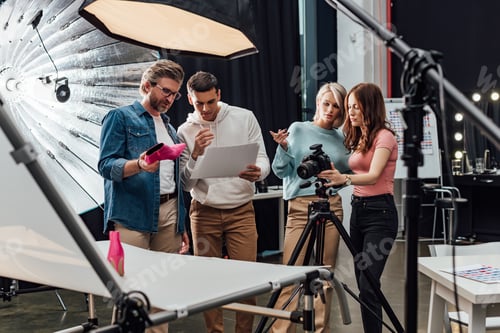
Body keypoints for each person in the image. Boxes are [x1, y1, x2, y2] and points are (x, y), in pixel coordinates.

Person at [98, 59, 189, 333]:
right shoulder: (120, 117)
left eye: (175, 93)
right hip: (132, 214)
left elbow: (173, 179)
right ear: (146, 86)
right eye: (165, 91)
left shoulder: (171, 129)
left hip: (170, 211)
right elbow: (105, 165)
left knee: (161, 291)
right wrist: (137, 165)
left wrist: (181, 222)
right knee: (132, 291)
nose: (171, 99)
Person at [177, 71, 270, 333]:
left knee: (247, 279)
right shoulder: (185, 131)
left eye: (210, 102)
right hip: (203, 212)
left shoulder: (244, 117)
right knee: (208, 281)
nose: (205, 109)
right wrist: (195, 154)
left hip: (241, 210)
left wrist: (259, 172)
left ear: (219, 94)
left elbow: (264, 159)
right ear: (189, 99)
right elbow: (185, 185)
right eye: (199, 104)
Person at [317, 82, 399, 333]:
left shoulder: (384, 136)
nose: (350, 112)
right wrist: (336, 174)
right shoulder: (358, 136)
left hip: (380, 215)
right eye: (349, 107)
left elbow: (374, 175)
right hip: (359, 212)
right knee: (366, 285)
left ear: (370, 107)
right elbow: (353, 172)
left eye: (356, 107)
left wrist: (345, 179)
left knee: (368, 284)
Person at [269, 82, 350, 333]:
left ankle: (318, 330)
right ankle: (280, 330)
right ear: (317, 103)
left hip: (330, 204)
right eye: (326, 103)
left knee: (325, 273)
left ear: (341, 110)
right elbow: (280, 171)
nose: (330, 110)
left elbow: (347, 174)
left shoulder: (342, 138)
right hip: (299, 205)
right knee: (291, 272)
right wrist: (282, 149)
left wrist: (338, 181)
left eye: (336, 106)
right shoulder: (298, 129)